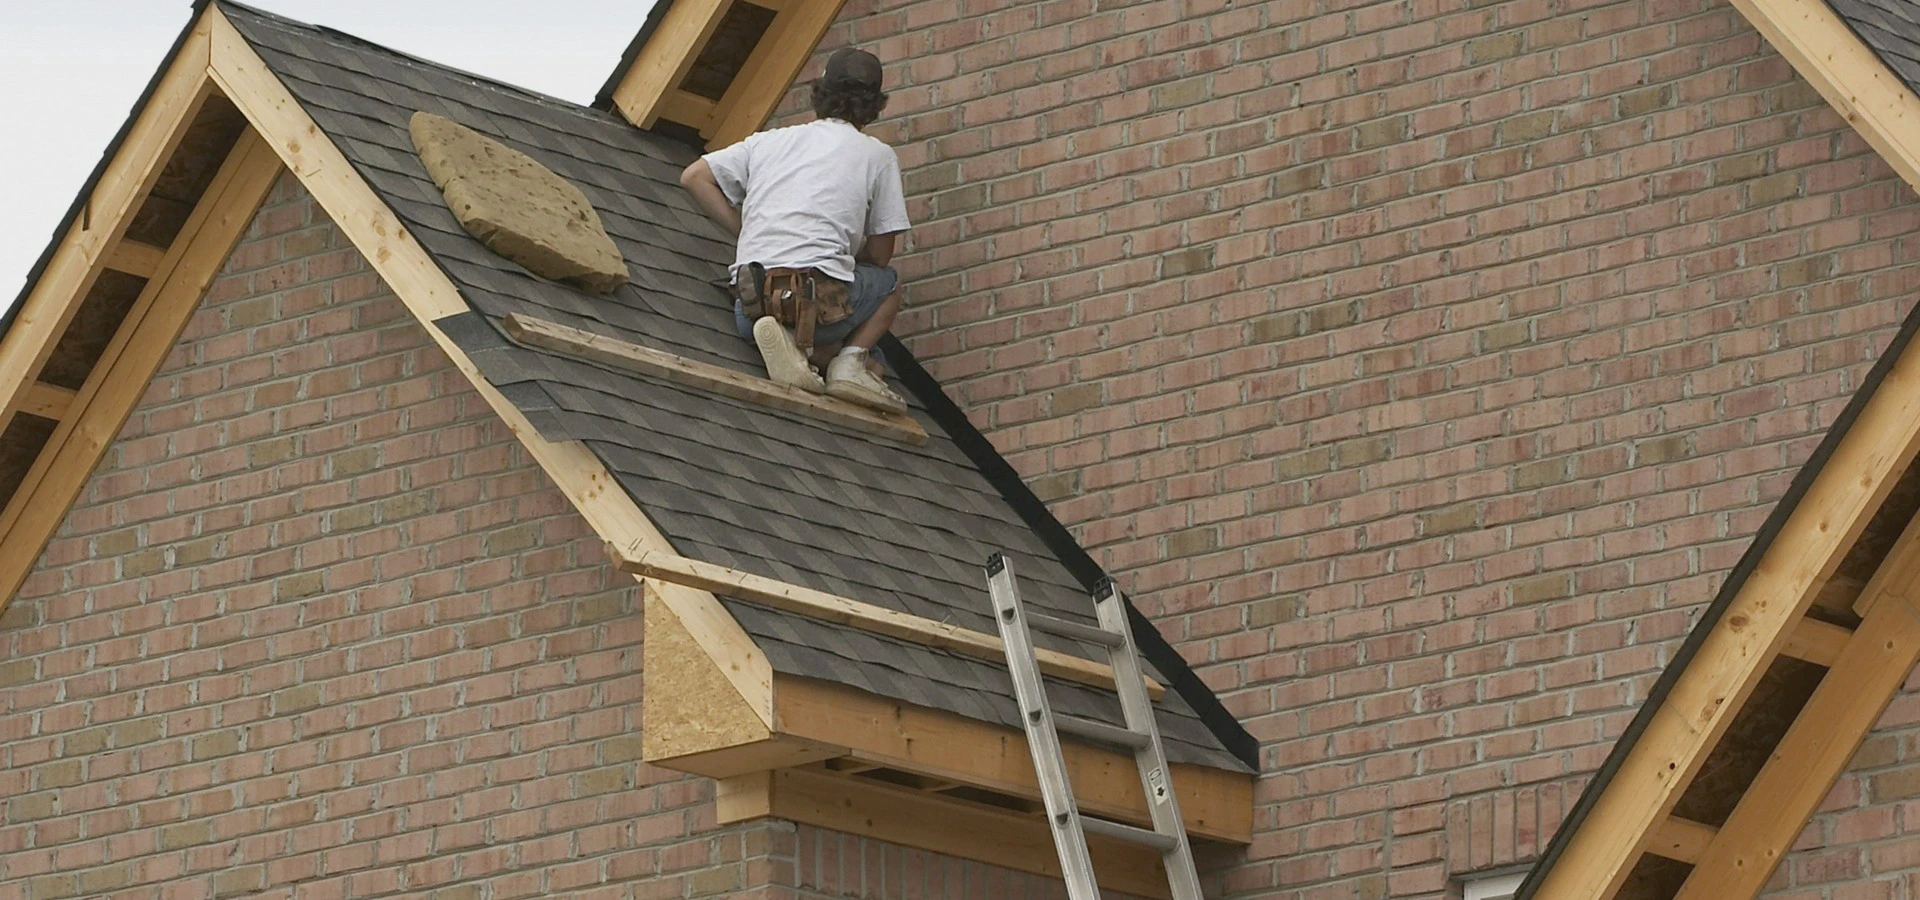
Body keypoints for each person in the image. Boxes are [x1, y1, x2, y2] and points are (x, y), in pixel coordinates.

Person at [678, 47, 911, 413]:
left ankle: (800, 349)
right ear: (874, 105)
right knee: (890, 285)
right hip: (819, 308)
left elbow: (694, 177)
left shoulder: (769, 141)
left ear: (821, 92)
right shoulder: (876, 156)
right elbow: (881, 255)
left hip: (753, 308)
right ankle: (845, 366)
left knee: (874, 360)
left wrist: (746, 232)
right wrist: (850, 255)